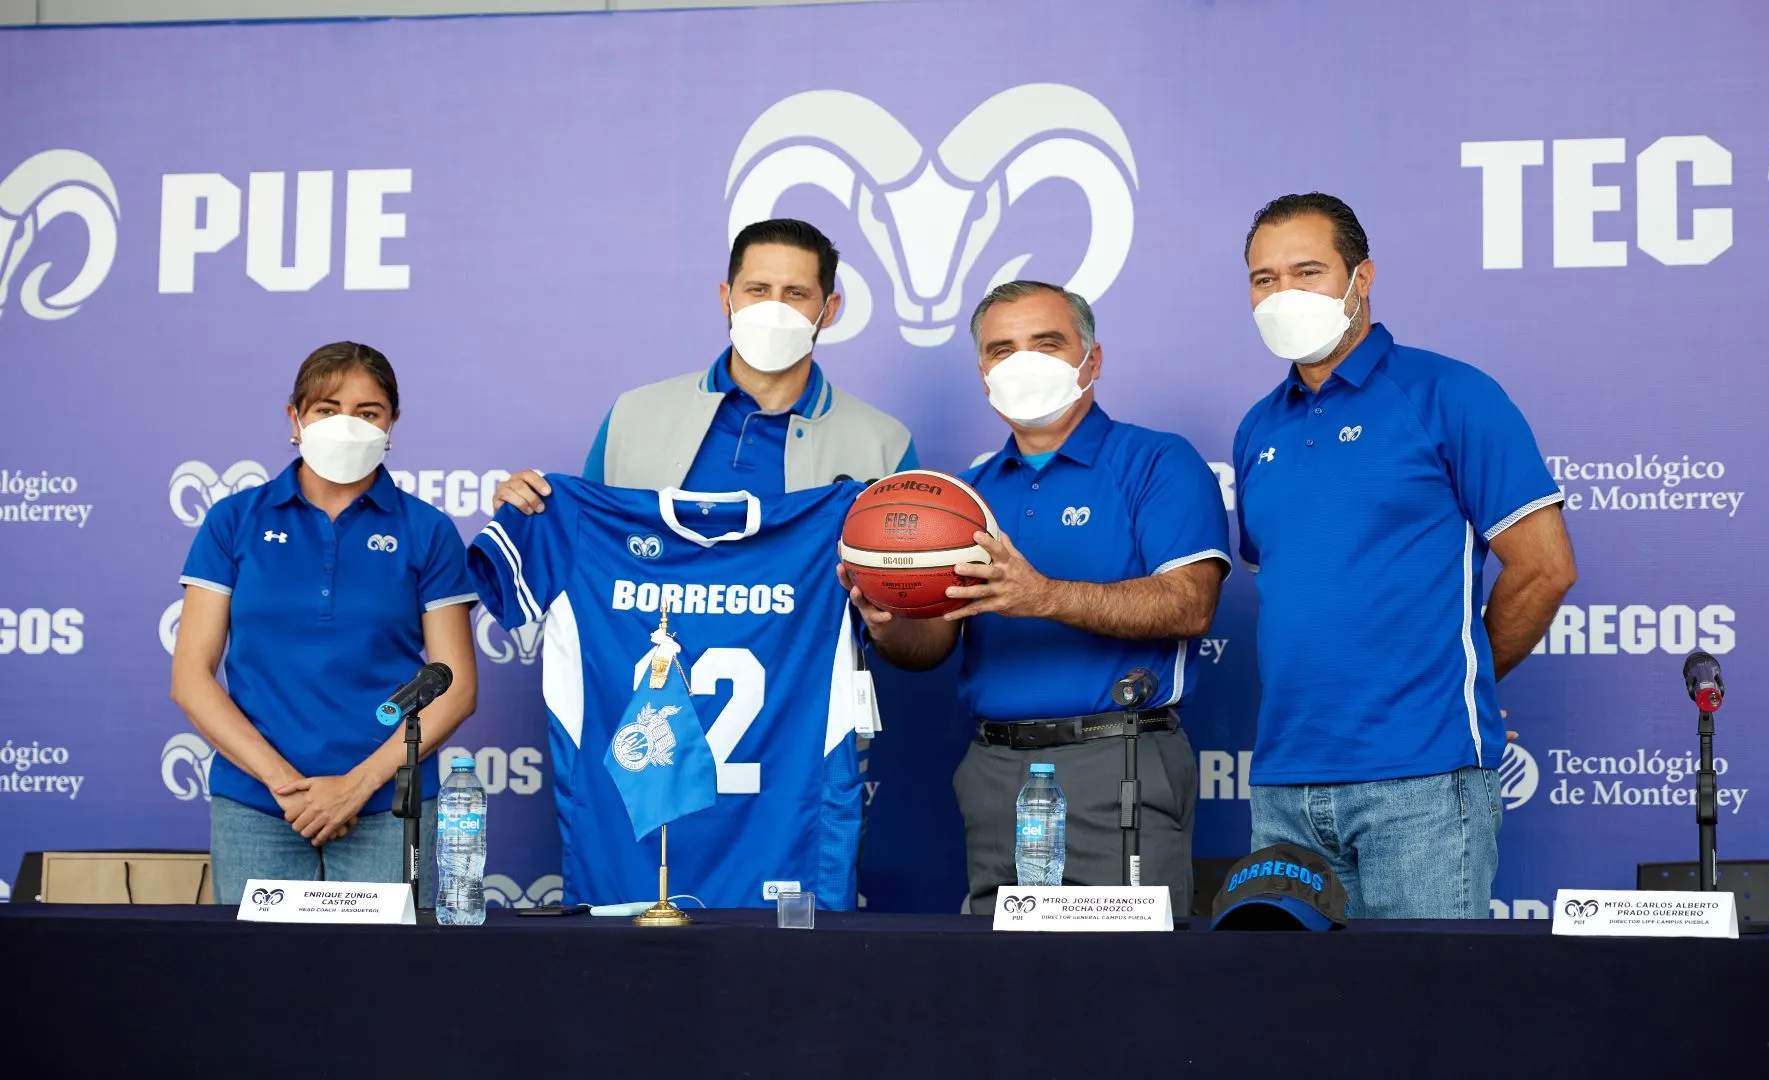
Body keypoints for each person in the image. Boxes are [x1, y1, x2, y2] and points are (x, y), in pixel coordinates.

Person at [1232, 193, 1577, 919]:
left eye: (1307, 271)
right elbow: (1295, 590)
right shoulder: (1257, 428)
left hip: (1421, 781)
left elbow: (1545, 567)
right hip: (1283, 784)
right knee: (1289, 998)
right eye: (1265, 278)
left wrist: (1461, 685)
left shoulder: (1450, 394)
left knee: (1428, 994)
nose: (1284, 293)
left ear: (1362, 278)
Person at [844, 281, 1230, 915]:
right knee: (1002, 972)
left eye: (1046, 344)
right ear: (983, 373)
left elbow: (1190, 605)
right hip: (994, 767)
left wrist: (1043, 596)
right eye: (1002, 349)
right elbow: (932, 645)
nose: (1022, 362)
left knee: (1128, 969)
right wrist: (888, 622)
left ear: (1092, 359)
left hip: (1116, 756)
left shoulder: (1156, 461)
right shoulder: (962, 498)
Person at [170, 342, 480, 904]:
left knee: (385, 962)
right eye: (327, 409)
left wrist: (355, 787)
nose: (346, 425)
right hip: (257, 802)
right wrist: (285, 785)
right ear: (295, 419)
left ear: (392, 423)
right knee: (257, 961)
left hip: (388, 803)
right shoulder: (233, 521)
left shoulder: (428, 529)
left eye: (368, 413)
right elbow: (191, 678)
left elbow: (453, 687)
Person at [491, 218, 916, 515]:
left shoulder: (883, 444)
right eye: (757, 290)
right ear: (726, 298)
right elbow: (584, 541)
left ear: (830, 309)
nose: (773, 309)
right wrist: (525, 509)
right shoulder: (633, 416)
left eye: (795, 294)